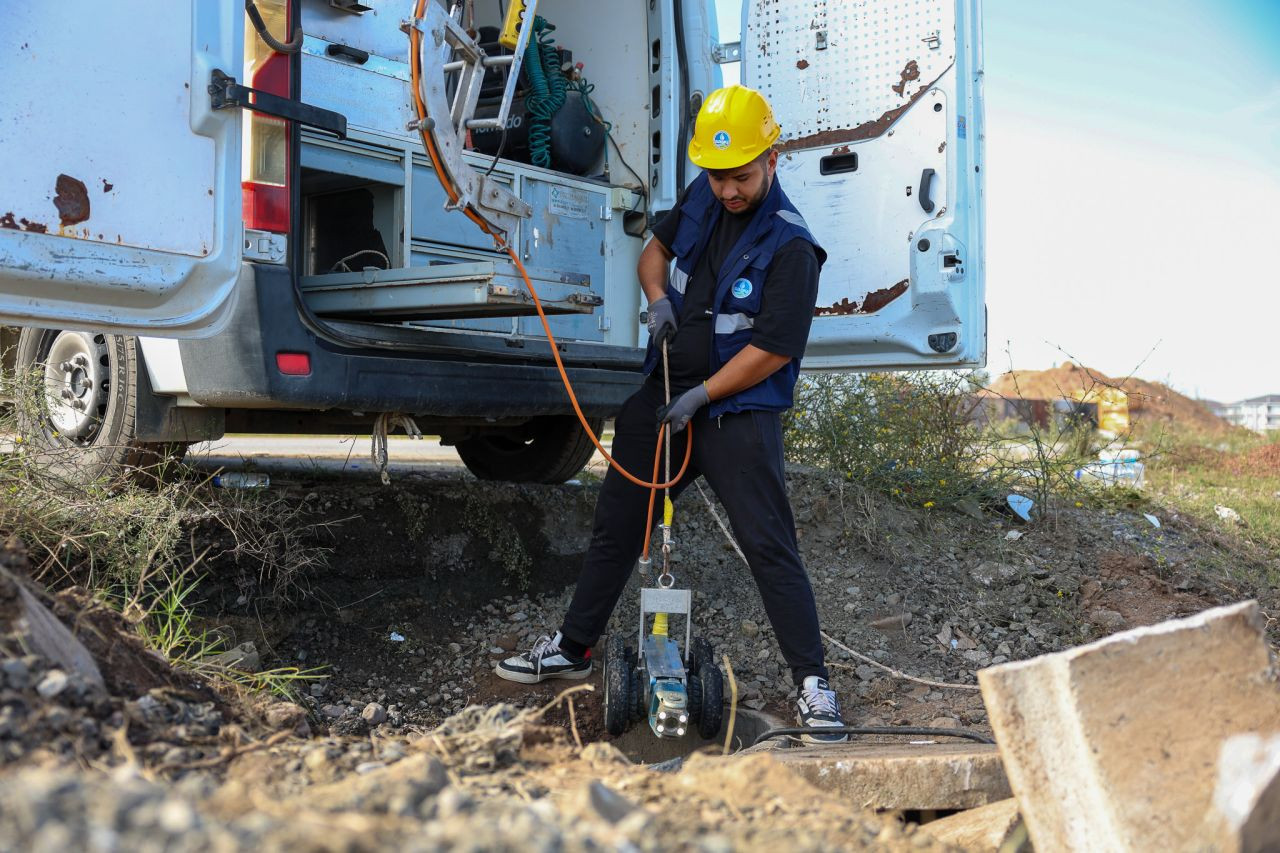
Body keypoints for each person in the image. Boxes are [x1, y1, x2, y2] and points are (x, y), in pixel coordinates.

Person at [496, 85, 847, 742]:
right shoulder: (702, 197)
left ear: (772, 159)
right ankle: (574, 648)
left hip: (736, 413)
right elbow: (654, 254)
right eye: (717, 177)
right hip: (662, 394)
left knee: (770, 546)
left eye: (740, 176)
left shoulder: (793, 247)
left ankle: (813, 684)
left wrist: (705, 395)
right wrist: (658, 299)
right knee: (616, 526)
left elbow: (772, 350)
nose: (728, 190)